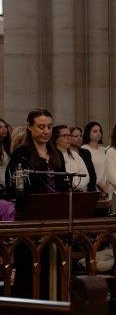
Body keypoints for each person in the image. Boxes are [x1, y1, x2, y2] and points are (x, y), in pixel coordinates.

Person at [5, 109, 67, 296]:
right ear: (30, 128)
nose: (45, 131)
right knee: (30, 266)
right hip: (30, 218)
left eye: (49, 127)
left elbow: (62, 184)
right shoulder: (22, 154)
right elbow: (14, 186)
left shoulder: (56, 154)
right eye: (40, 127)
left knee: (53, 265)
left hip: (55, 219)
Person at [54, 125, 91, 191]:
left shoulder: (74, 155)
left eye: (70, 135)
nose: (69, 138)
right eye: (65, 136)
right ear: (56, 138)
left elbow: (85, 175)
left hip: (77, 191)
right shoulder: (52, 156)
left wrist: (75, 185)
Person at [68, 126, 98, 192]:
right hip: (73, 189)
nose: (79, 138)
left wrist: (92, 191)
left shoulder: (85, 152)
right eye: (75, 136)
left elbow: (92, 174)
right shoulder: (66, 153)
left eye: (80, 136)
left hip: (88, 190)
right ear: (69, 137)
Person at [82, 121, 108, 195]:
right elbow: (88, 171)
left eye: (100, 131)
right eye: (95, 131)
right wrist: (101, 187)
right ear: (88, 133)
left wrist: (106, 187)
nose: (98, 133)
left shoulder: (104, 149)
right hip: (93, 187)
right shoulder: (84, 149)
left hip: (107, 187)